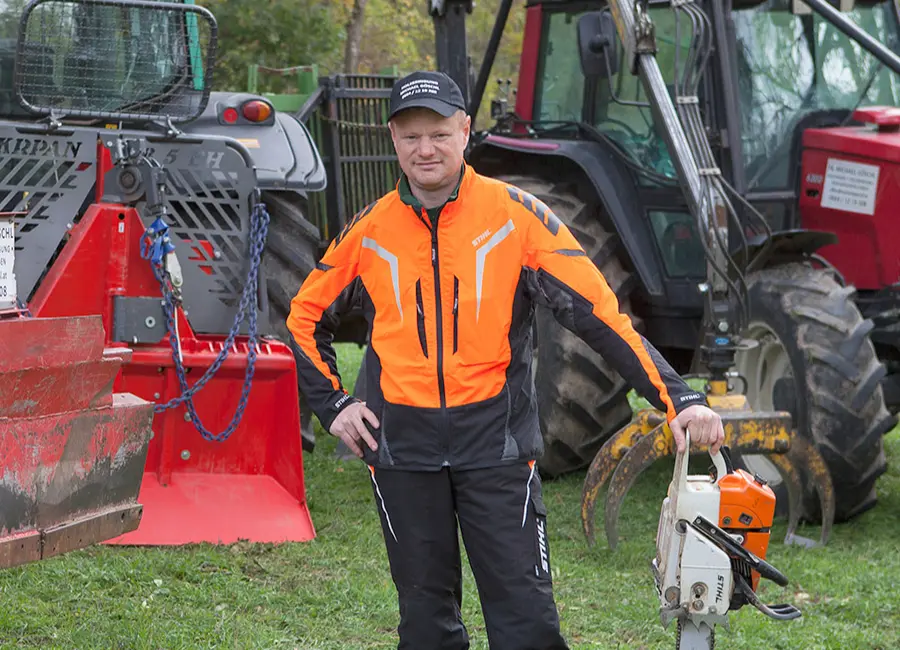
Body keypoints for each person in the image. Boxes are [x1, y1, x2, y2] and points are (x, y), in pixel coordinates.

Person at [286, 70, 725, 650]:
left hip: (495, 448)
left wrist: (682, 399)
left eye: (439, 133)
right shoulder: (370, 230)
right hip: (402, 451)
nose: (425, 149)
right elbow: (302, 317)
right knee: (424, 621)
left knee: (525, 621)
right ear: (392, 139)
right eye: (411, 135)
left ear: (464, 130)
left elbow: (601, 316)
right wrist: (334, 403)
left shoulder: (516, 218)